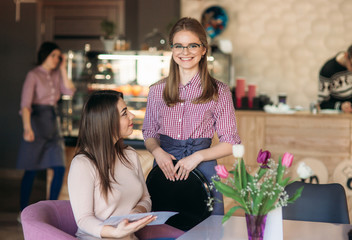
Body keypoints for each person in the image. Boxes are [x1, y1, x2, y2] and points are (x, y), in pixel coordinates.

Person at [142, 17, 241, 216]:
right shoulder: (156, 90)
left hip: (202, 168)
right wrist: (157, 152)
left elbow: (231, 143)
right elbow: (149, 132)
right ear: (172, 49)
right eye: (179, 46)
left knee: (206, 231)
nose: (185, 52)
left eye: (192, 45)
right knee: (162, 229)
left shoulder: (219, 91)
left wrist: (197, 157)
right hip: (165, 168)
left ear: (204, 49)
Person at [68, 90, 156, 240]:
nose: (132, 116)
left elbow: (146, 198)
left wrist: (137, 212)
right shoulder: (82, 164)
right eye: (124, 113)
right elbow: (83, 219)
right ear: (106, 121)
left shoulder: (130, 155)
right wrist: (115, 233)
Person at [17, 42, 75, 216]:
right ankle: (23, 211)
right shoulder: (33, 75)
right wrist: (27, 128)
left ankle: (50, 211)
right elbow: (25, 105)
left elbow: (70, 91)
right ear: (45, 55)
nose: (57, 59)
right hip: (36, 122)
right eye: (54, 56)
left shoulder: (58, 74)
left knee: (59, 168)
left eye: (59, 56)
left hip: (52, 121)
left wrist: (64, 68)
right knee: (31, 169)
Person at [318, 44, 352, 113]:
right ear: (346, 56)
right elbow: (322, 103)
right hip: (337, 112)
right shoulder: (328, 70)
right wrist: (340, 106)